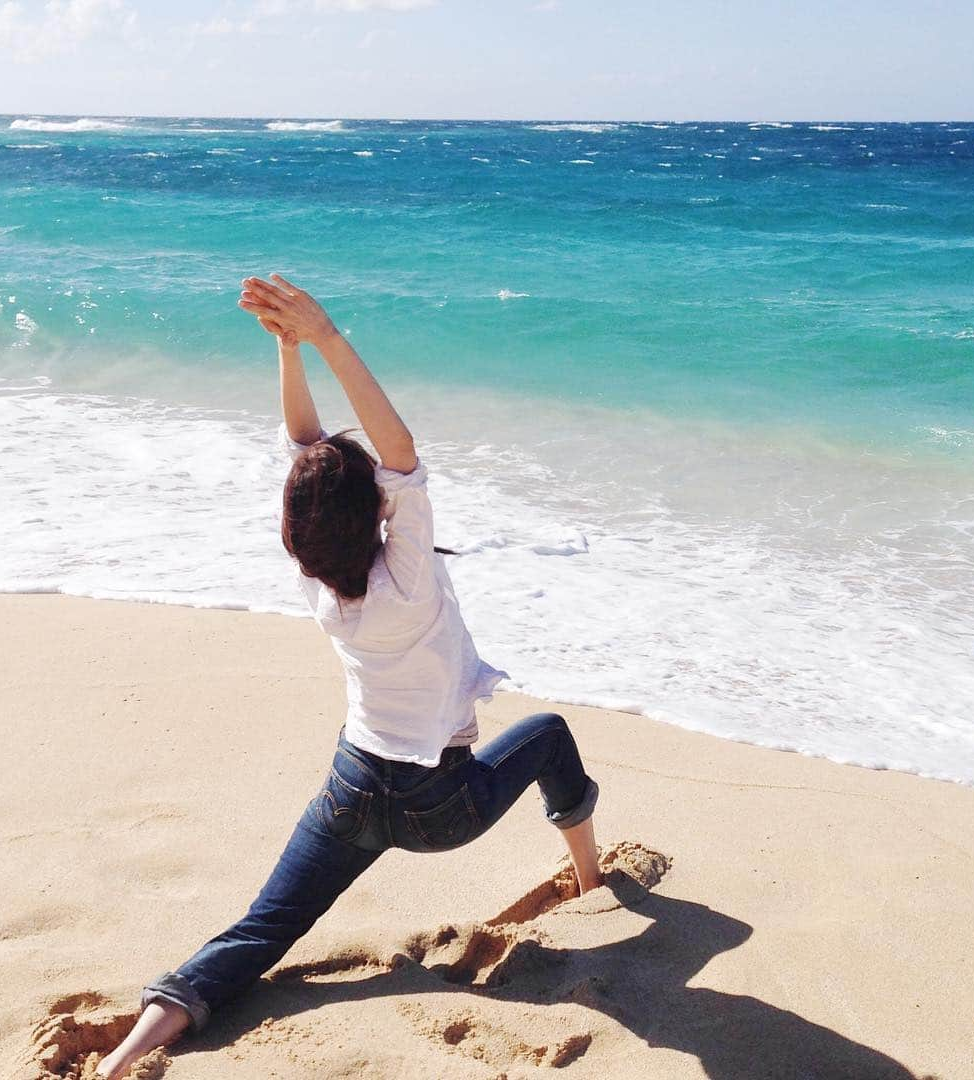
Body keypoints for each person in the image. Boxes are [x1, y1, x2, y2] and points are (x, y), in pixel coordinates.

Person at [96, 275, 603, 1080]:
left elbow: (307, 452)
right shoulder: (411, 578)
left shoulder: (318, 571)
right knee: (548, 736)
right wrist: (324, 335)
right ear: (377, 514)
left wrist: (286, 352)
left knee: (264, 928)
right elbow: (399, 451)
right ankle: (588, 875)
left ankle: (132, 1048)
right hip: (443, 808)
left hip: (352, 789)